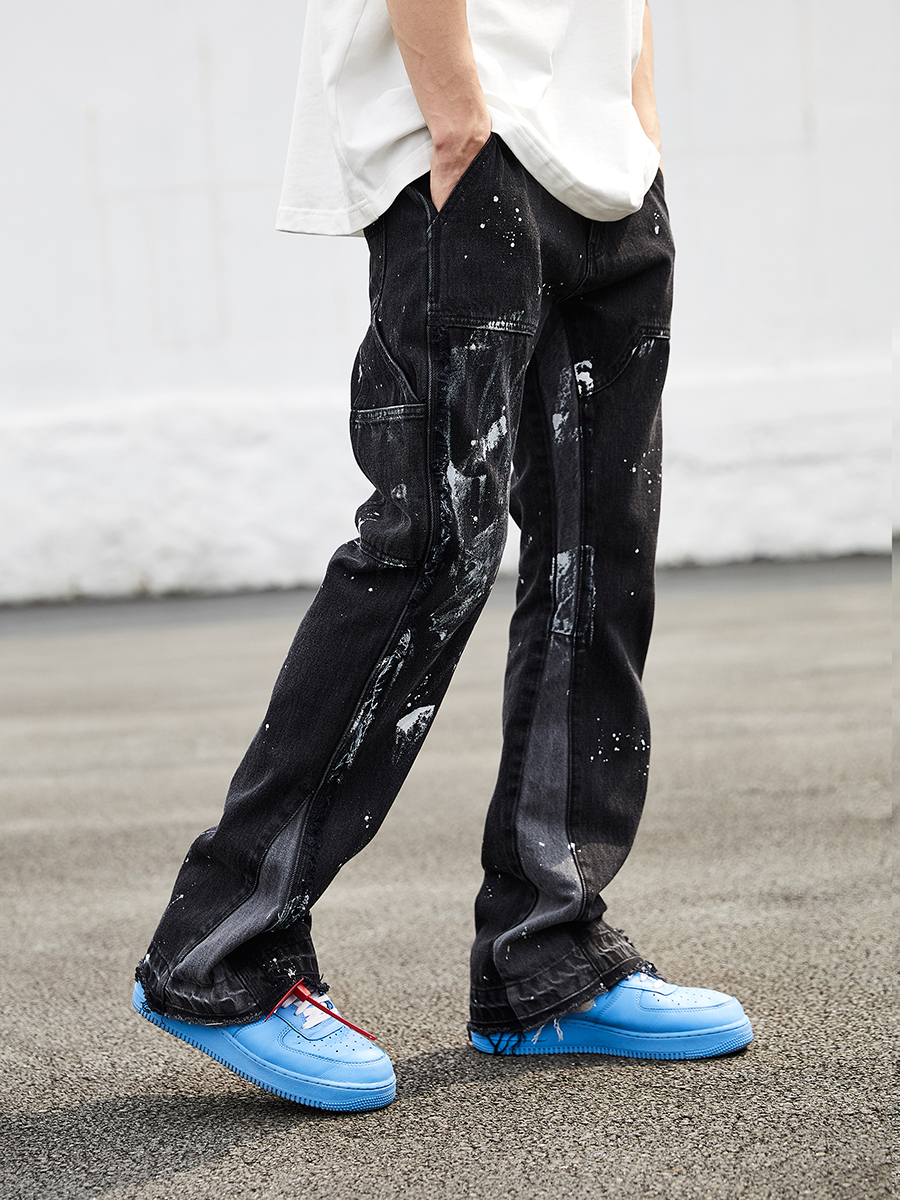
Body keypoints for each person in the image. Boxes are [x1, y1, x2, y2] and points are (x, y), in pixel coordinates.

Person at [132, 0, 752, 1112]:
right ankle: (218, 952)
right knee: (431, 549)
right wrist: (459, 117)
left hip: (606, 165)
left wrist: (636, 118)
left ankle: (546, 959)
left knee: (598, 562)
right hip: (472, 145)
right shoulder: (463, 137)